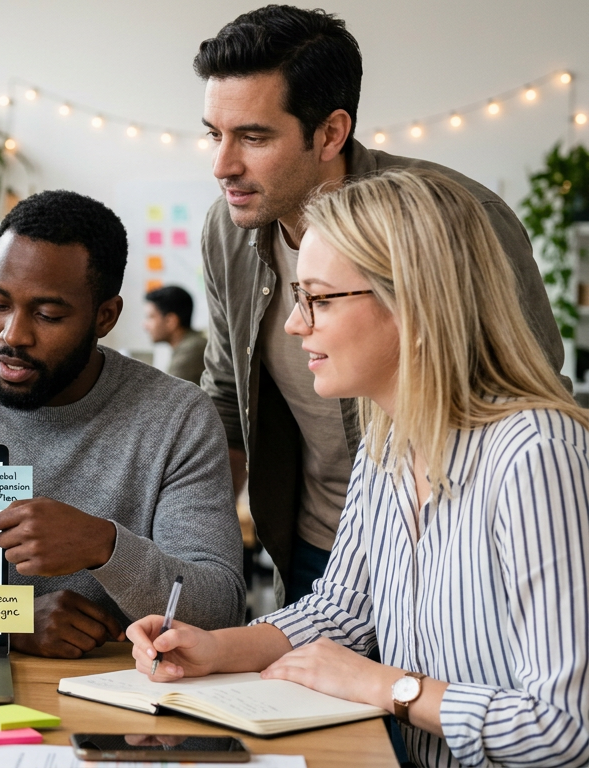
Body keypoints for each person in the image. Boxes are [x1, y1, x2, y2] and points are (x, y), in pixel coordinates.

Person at [129, 169, 589, 768]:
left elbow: (565, 727)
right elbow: (340, 609)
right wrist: (215, 649)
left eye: (318, 299)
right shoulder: (386, 439)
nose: (295, 323)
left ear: (414, 305)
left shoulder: (536, 454)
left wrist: (384, 685)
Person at [194, 5, 566, 606]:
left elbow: (531, 393)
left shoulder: (454, 219)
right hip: (316, 547)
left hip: (451, 552)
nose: (222, 166)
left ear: (330, 133)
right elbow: (226, 400)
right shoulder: (227, 231)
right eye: (215, 134)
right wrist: (201, 571)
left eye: (254, 137)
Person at [0, 190, 244, 659]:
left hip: (122, 690)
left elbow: (219, 609)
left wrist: (104, 545)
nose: (12, 335)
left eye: (47, 315)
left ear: (105, 316)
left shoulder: (176, 419)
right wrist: (11, 620)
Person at [142, 285, 207, 385]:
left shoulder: (191, 350)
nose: (145, 325)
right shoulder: (191, 344)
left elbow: (167, 392)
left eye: (150, 317)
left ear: (170, 321)